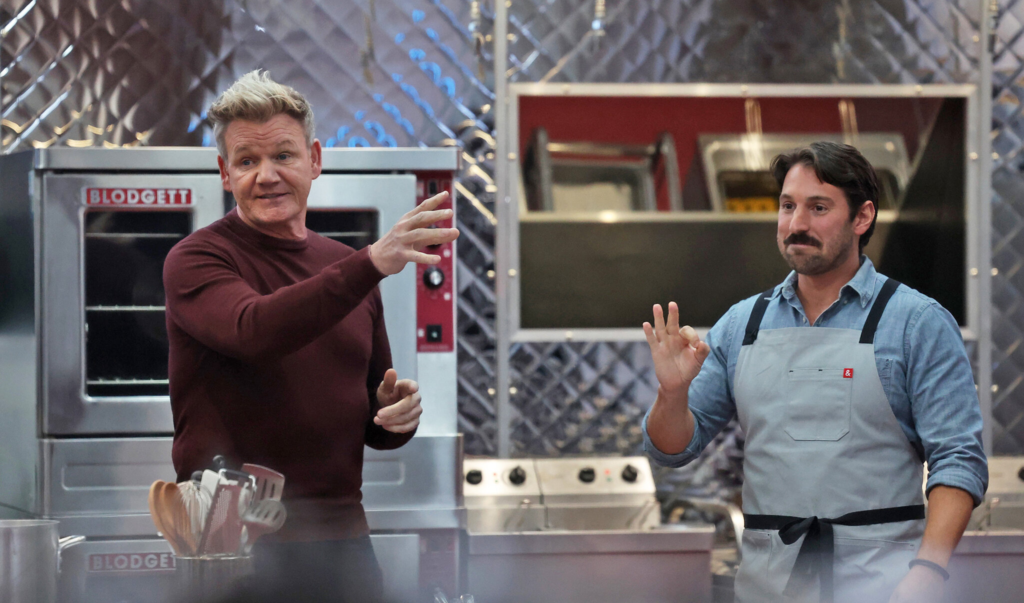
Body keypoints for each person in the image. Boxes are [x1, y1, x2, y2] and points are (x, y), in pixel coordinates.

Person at [642, 141, 987, 603]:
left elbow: (959, 459)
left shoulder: (917, 323)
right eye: (788, 206)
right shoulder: (742, 325)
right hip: (767, 589)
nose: (796, 224)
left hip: (884, 588)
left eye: (818, 208)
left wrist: (927, 572)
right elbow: (671, 449)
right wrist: (672, 393)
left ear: (862, 217)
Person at [162, 70, 459, 602]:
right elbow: (253, 330)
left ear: (315, 160)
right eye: (247, 161)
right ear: (225, 173)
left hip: (345, 546)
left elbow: (373, 421)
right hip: (235, 551)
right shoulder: (197, 259)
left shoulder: (346, 269)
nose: (267, 176)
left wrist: (393, 414)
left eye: (283, 155)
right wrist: (370, 263)